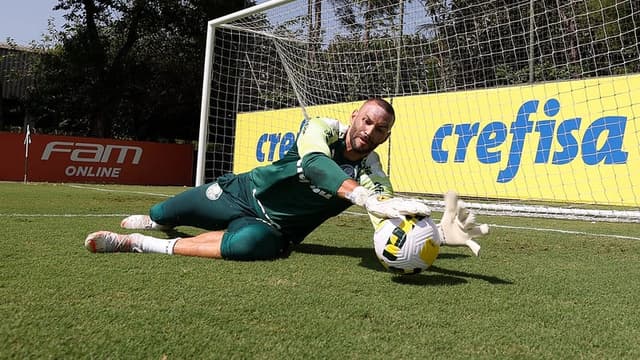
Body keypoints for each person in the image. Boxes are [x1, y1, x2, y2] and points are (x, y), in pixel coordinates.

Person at [84, 98, 486, 261]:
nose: (370, 131)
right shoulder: (318, 129)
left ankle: (142, 244)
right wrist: (363, 196)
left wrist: (432, 235)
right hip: (241, 192)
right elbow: (314, 165)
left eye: (380, 129)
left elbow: (385, 212)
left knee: (248, 246)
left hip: (274, 228)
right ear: (354, 118)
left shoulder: (373, 172)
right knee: (161, 209)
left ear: (386, 136)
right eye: (367, 121)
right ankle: (156, 222)